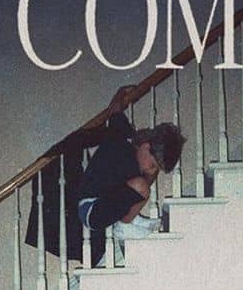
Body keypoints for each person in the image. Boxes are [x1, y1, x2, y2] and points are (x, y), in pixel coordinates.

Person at [78, 88, 186, 242]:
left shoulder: (126, 135)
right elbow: (136, 190)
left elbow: (115, 111)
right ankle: (123, 227)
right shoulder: (124, 156)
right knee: (141, 186)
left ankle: (131, 219)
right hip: (91, 209)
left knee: (142, 185)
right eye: (153, 164)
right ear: (146, 147)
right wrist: (121, 91)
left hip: (104, 203)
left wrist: (121, 94)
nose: (152, 170)